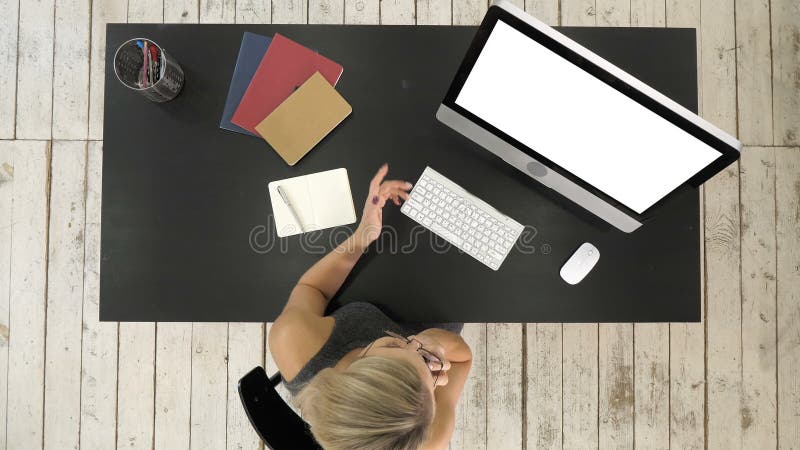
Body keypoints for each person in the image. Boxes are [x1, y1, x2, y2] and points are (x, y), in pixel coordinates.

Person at [268, 164, 473, 450]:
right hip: (439, 311)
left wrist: (364, 233)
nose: (411, 344)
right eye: (423, 367)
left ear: (358, 366)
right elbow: (462, 357)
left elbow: (312, 289)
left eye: (394, 347)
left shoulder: (292, 339)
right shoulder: (432, 438)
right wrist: (431, 345)